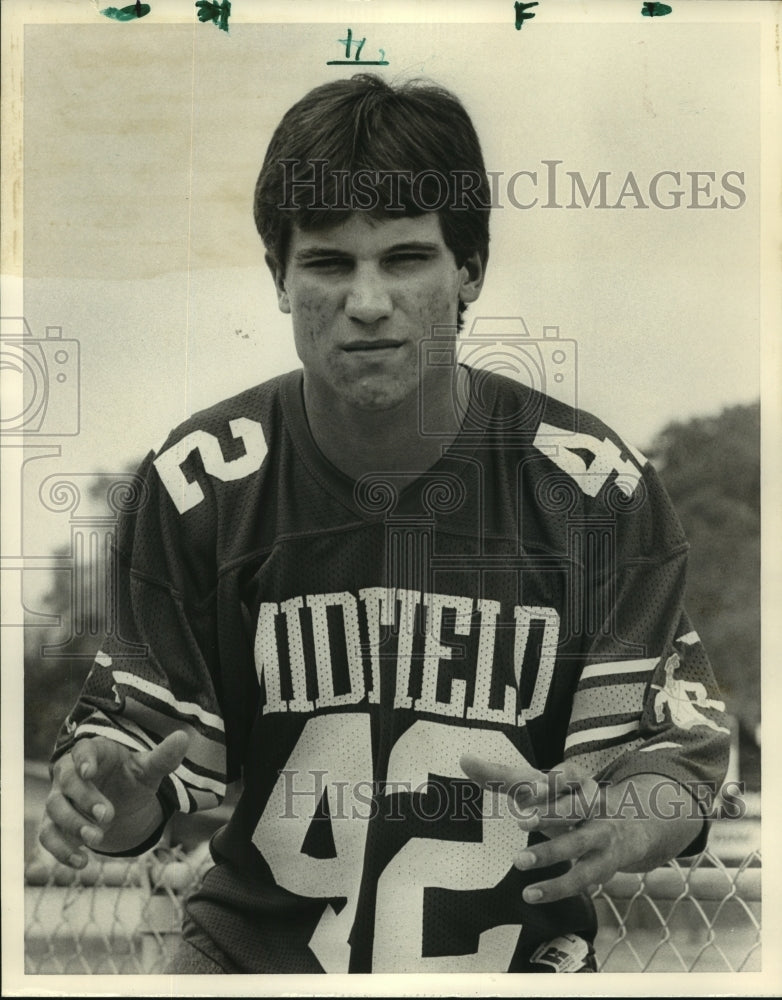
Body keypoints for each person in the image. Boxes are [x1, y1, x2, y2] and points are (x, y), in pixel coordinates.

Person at [39, 74, 730, 974]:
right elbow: (149, 784)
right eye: (328, 262)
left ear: (469, 271)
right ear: (280, 279)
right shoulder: (202, 482)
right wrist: (110, 800)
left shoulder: (591, 489)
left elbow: (675, 759)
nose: (367, 300)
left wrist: (621, 822)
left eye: (405, 258)